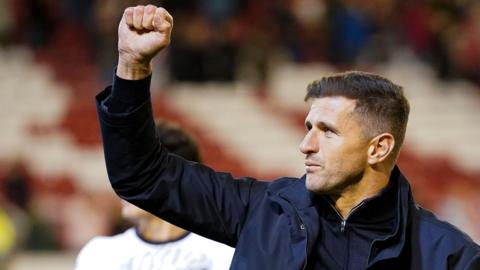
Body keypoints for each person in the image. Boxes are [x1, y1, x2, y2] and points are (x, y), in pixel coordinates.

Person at [95, 5, 480, 270]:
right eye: (308, 127)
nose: (306, 144)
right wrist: (132, 66)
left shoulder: (446, 256)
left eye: (326, 131)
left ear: (378, 147)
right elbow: (141, 176)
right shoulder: (260, 211)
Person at [75, 122, 234, 269]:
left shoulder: (224, 253)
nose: (123, 186)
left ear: (175, 178)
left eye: (137, 173)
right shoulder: (99, 255)